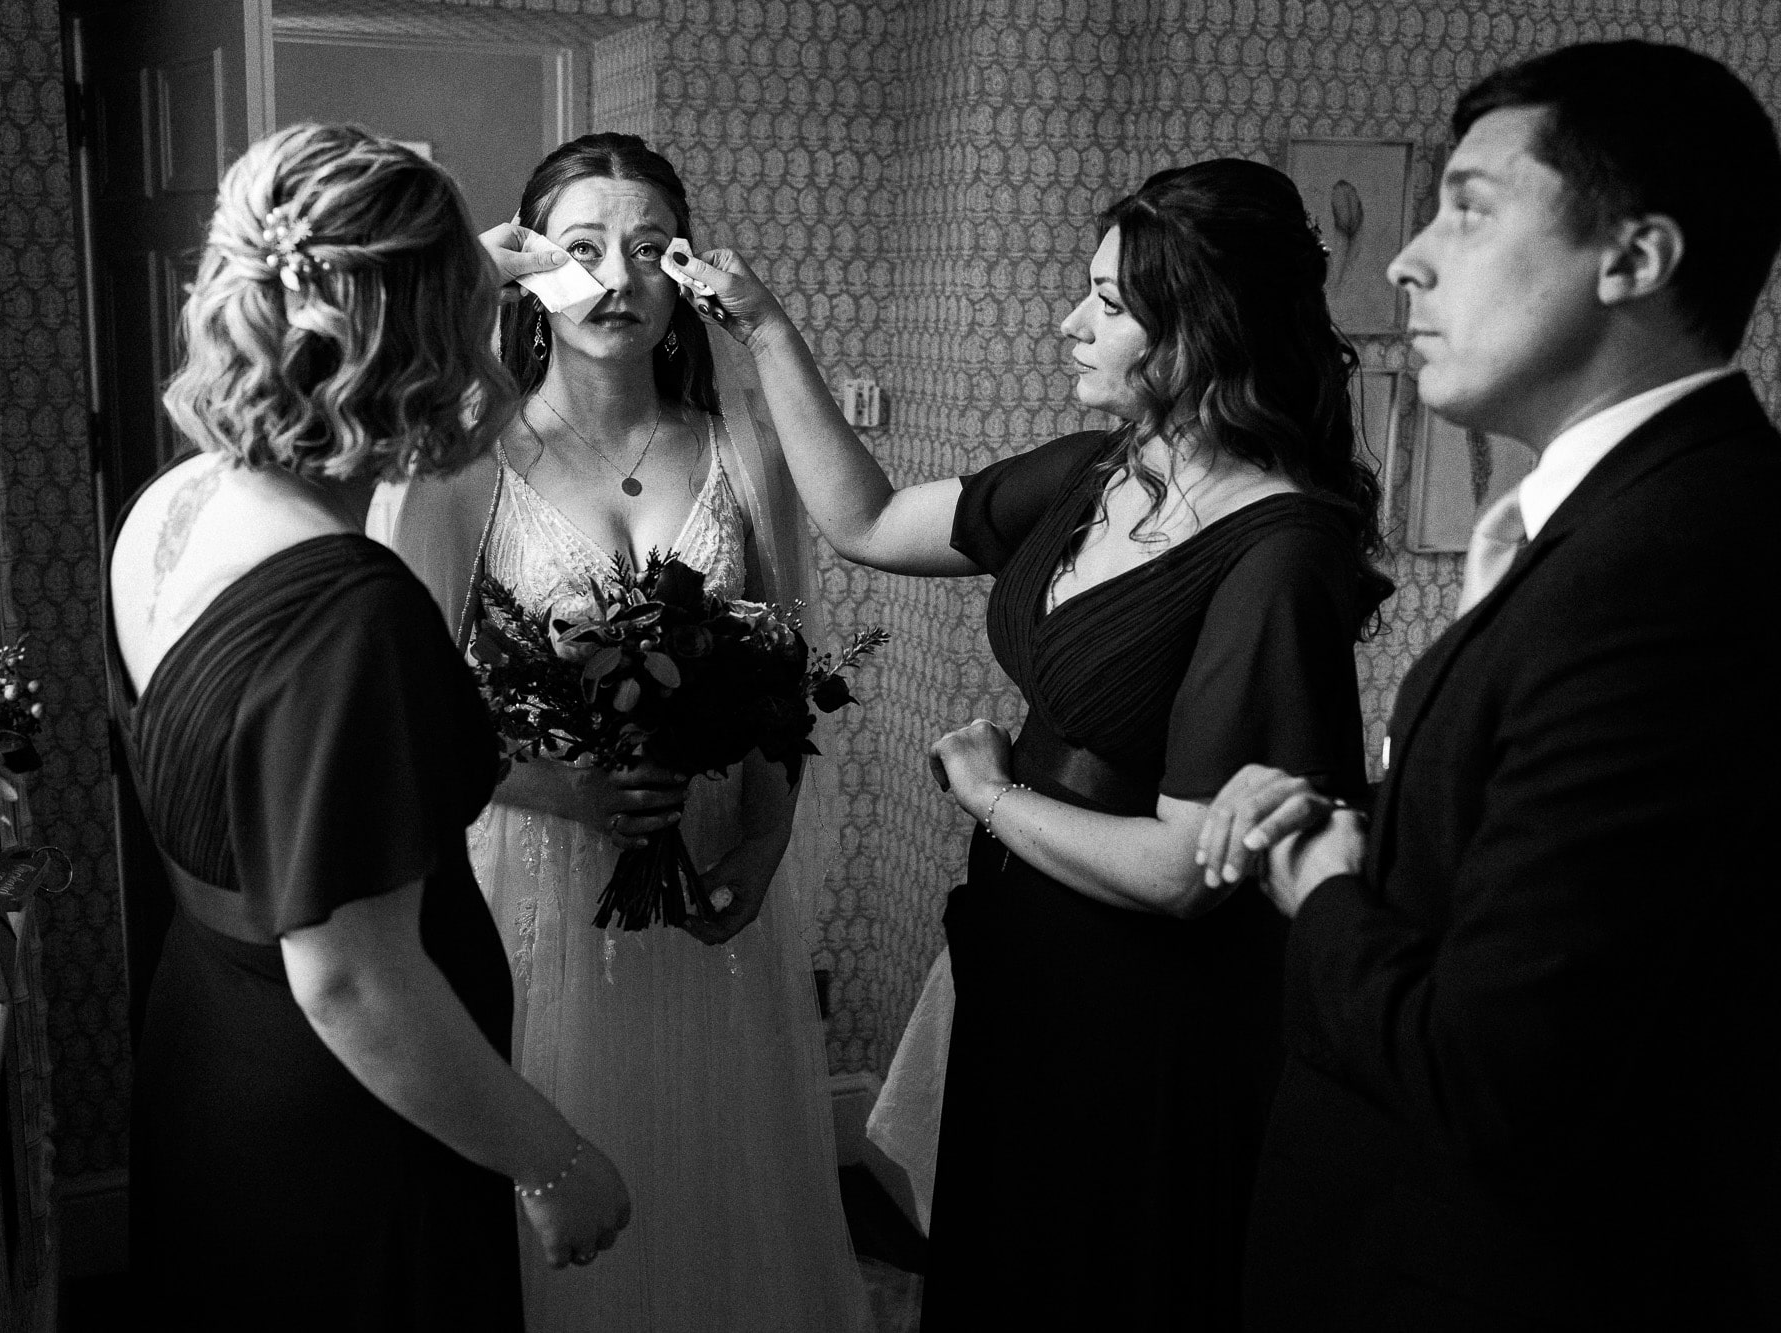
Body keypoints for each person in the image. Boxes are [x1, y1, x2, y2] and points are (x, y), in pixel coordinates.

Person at [676, 158, 1393, 1329]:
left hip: (1151, 1007)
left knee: (1099, 1272)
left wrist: (987, 795)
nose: (1069, 322)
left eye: (1107, 305)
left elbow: (1182, 873)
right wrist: (764, 330)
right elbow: (863, 520)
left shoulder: (1278, 553)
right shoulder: (1094, 476)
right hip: (1031, 951)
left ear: (1199, 332)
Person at [1200, 42, 1781, 1332]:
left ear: (1632, 258)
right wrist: (1354, 817)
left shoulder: (1671, 563)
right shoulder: (1611, 523)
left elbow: (1497, 1068)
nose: (1404, 258)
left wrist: (1324, 885)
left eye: (1465, 207)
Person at [106, 124, 630, 1329]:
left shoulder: (176, 506)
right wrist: (552, 1159)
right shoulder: (353, 614)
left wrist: (454, 277)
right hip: (349, 1116)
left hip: (204, 1057)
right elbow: (349, 978)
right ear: (426, 342)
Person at [371, 133, 869, 1333]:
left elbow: (780, 661)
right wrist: (568, 793)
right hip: (530, 876)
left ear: (685, 277)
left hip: (702, 871)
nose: (616, 279)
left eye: (649, 248)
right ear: (529, 274)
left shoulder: (741, 448)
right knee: (556, 1160)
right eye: (581, 247)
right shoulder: (460, 466)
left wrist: (761, 839)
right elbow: (412, 711)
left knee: (711, 1161)